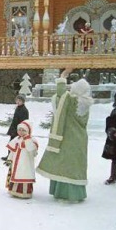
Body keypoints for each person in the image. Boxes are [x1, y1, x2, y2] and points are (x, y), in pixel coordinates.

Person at [37, 68, 94, 202]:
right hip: (80, 138)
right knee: (75, 165)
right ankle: (76, 193)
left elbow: (60, 95)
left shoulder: (71, 101)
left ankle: (64, 193)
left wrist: (63, 76)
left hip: (68, 137)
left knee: (64, 164)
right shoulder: (85, 103)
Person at [4, 120, 38, 199]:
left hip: (26, 163)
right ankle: (14, 191)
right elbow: (12, 151)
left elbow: (32, 150)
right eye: (19, 130)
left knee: (24, 175)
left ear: (28, 131)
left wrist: (27, 139)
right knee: (16, 175)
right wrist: (9, 159)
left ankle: (25, 193)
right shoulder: (17, 139)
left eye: (24, 130)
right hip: (17, 163)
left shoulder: (32, 140)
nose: (21, 132)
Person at [1, 94, 29, 161]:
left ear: (23, 101)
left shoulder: (24, 110)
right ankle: (9, 156)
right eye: (17, 100)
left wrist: (21, 130)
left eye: (20, 100)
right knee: (11, 143)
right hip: (14, 129)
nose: (18, 102)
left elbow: (24, 122)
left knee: (15, 144)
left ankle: (13, 158)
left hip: (19, 130)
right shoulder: (18, 108)